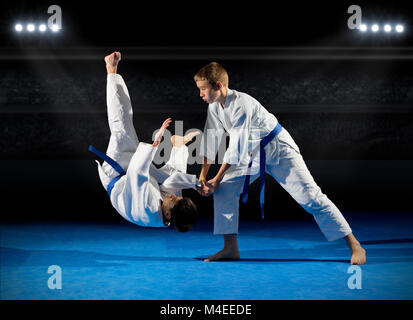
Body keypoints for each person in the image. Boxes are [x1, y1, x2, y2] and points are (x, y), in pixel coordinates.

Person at [195, 62, 366, 264]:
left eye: (203, 89)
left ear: (218, 86)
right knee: (224, 188)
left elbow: (235, 149)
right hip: (253, 153)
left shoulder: (241, 104)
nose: (200, 94)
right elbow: (210, 140)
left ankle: (355, 245)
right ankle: (230, 248)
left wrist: (215, 179)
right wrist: (203, 177)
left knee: (312, 197)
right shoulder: (215, 107)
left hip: (279, 149)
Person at [90, 51, 200, 232]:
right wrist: (198, 183)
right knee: (176, 178)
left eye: (174, 200)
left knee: (121, 124)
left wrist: (155, 144)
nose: (173, 197)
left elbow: (136, 170)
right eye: (177, 198)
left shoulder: (147, 209)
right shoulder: (171, 208)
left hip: (119, 175)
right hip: (143, 178)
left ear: (167, 215)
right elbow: (173, 186)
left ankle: (111, 70)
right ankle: (178, 145)